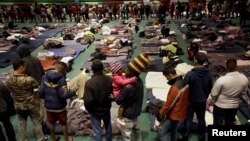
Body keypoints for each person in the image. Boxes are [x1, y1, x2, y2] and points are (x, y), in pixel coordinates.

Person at [6, 59, 45, 141]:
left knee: (21, 123)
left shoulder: (8, 78)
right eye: (25, 67)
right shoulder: (28, 79)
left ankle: (24, 139)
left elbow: (10, 90)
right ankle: (41, 138)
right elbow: (36, 88)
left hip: (18, 105)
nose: (26, 69)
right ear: (21, 67)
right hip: (31, 104)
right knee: (37, 122)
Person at [40, 61, 77, 141]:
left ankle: (53, 139)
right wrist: (73, 91)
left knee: (51, 122)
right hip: (59, 107)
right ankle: (66, 139)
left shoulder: (44, 77)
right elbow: (63, 95)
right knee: (63, 123)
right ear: (63, 70)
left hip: (49, 106)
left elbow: (41, 93)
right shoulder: (61, 79)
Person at [116, 53, 149, 141]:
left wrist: (115, 93)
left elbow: (118, 101)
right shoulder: (140, 81)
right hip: (136, 112)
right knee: (137, 131)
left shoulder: (128, 87)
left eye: (127, 69)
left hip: (127, 115)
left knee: (127, 135)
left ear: (132, 72)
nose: (125, 70)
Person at [181, 52, 213, 141]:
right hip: (202, 100)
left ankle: (185, 136)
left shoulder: (190, 74)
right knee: (201, 119)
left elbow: (183, 88)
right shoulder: (209, 74)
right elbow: (210, 87)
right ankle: (202, 137)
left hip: (191, 101)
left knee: (188, 119)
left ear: (195, 60)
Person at [211, 58, 248, 125]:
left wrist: (214, 100)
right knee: (230, 123)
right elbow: (244, 92)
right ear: (236, 67)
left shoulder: (221, 80)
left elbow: (213, 94)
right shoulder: (244, 78)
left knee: (217, 124)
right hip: (234, 106)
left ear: (226, 67)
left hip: (220, 106)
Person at [158, 63, 189, 141]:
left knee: (162, 131)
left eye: (166, 77)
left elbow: (169, 104)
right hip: (182, 112)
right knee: (174, 130)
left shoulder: (175, 87)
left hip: (175, 114)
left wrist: (161, 113)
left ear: (170, 75)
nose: (167, 79)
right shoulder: (184, 82)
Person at [83, 59, 113, 141]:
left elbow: (88, 101)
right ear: (102, 68)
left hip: (95, 111)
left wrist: (90, 110)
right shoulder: (109, 79)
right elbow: (112, 94)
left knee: (97, 131)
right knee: (108, 126)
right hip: (106, 108)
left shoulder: (89, 83)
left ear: (92, 69)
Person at [109, 61, 136, 125]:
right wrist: (133, 79)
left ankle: (119, 115)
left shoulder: (119, 75)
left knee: (123, 105)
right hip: (118, 94)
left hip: (120, 92)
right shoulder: (116, 77)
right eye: (121, 69)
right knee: (123, 105)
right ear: (117, 71)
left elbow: (124, 79)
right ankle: (120, 118)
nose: (122, 70)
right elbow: (123, 82)